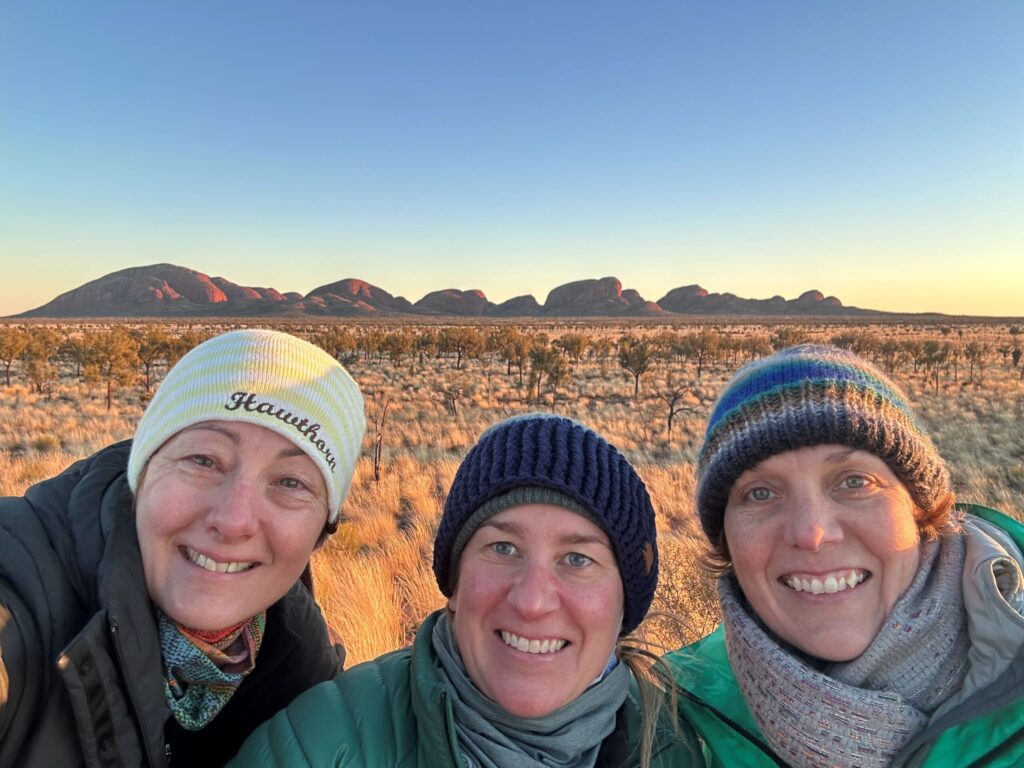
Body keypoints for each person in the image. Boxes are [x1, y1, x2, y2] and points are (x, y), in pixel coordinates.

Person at [231, 413, 702, 767]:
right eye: (503, 547)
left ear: (626, 602)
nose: (532, 600)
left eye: (578, 559)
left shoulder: (673, 747)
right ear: (454, 583)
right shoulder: (320, 745)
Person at [0, 328, 366, 767]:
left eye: (291, 482)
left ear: (320, 534)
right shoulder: (19, 601)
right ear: (142, 473)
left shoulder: (305, 674)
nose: (233, 521)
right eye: (203, 460)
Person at [663, 343, 1024, 767]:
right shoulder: (671, 723)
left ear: (919, 507)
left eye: (854, 482)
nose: (812, 533)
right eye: (759, 493)